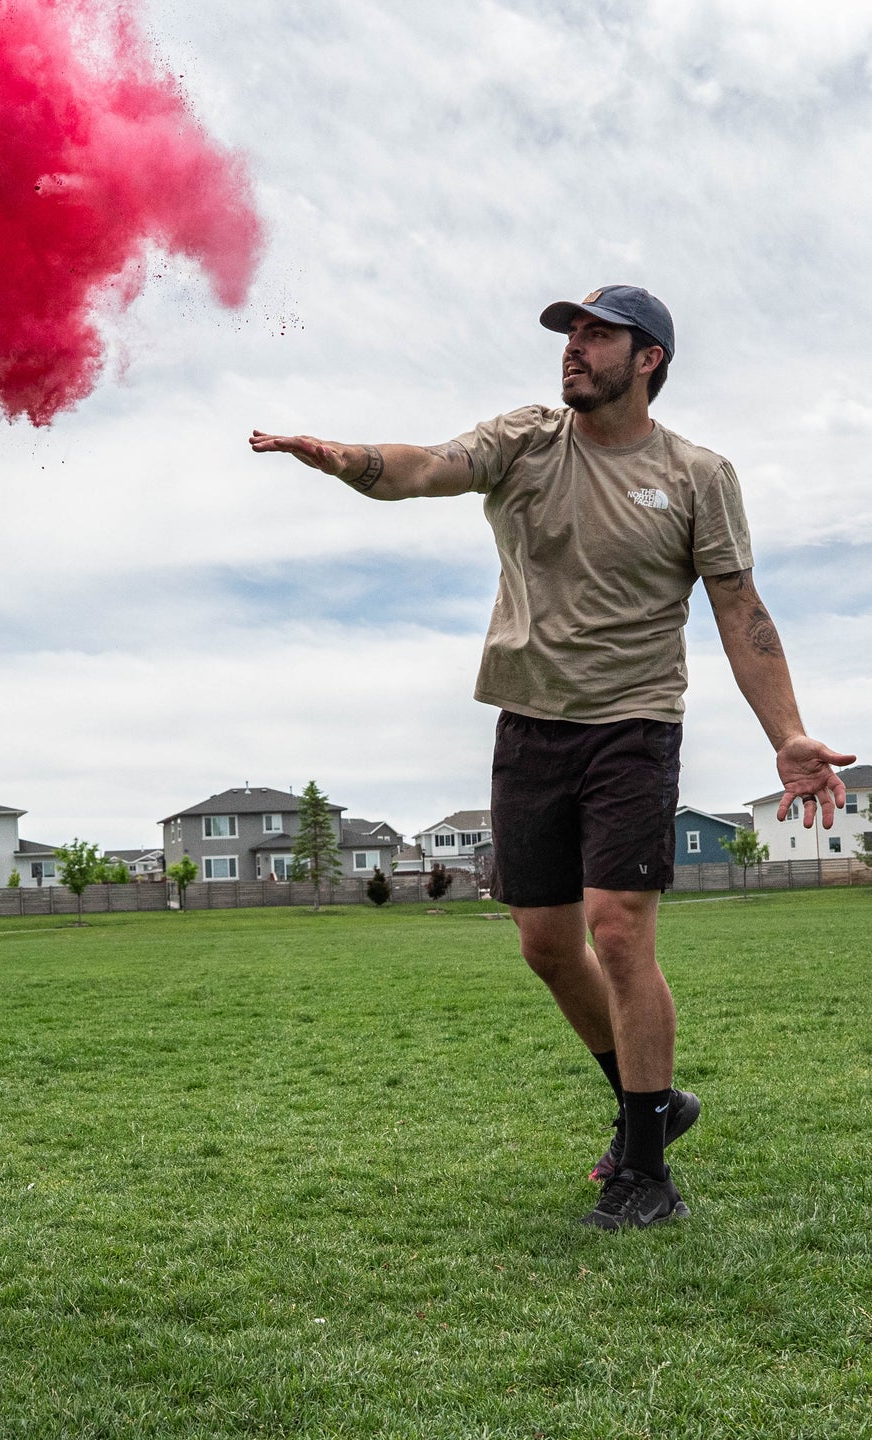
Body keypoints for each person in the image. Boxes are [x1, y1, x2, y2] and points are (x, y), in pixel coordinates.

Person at [249, 285, 855, 1229]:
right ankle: (650, 1105)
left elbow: (740, 610)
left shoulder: (697, 474)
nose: (572, 347)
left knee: (618, 928)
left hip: (634, 721)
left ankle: (647, 1173)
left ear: (646, 357)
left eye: (595, 335)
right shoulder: (527, 439)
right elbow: (424, 467)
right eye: (568, 334)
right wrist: (347, 459)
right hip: (529, 722)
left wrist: (786, 733)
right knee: (544, 944)